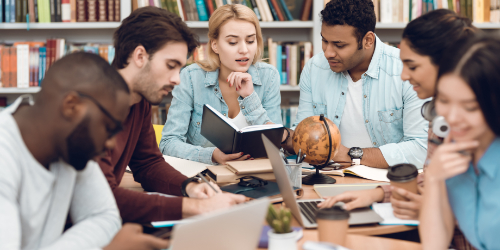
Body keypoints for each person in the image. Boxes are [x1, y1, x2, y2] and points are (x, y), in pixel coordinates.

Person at [318, 10, 477, 250]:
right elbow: (437, 182)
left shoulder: (484, 129)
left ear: (448, 64)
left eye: (412, 66)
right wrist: (377, 194)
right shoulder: (438, 120)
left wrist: (437, 209)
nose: (403, 76)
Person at [0, 52, 168, 250]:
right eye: (108, 127)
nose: (112, 144)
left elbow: (104, 216)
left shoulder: (68, 145)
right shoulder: (6, 155)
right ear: (71, 106)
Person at [98, 6, 246, 225]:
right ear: (139, 56)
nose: (177, 79)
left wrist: (190, 187)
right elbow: (101, 198)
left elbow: (148, 164)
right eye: (170, 66)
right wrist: (194, 207)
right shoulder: (92, 105)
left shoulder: (139, 101)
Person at [281, 0, 428, 169]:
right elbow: (304, 138)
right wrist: (283, 136)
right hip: (330, 178)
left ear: (367, 40)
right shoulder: (314, 69)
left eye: (339, 45)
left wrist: (351, 155)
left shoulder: (405, 71)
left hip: (385, 182)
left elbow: (420, 149)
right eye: (324, 41)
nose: (328, 52)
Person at [159, 4, 282, 165]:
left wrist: (250, 98)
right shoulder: (190, 77)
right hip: (204, 177)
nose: (244, 50)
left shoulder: (269, 76)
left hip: (253, 177)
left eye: (250, 41)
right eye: (232, 42)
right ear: (214, 45)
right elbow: (168, 143)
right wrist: (211, 155)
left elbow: (277, 146)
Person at [420, 33, 500, 250]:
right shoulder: (450, 151)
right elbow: (434, 243)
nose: (452, 118)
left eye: (470, 107)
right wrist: (434, 179)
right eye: (444, 100)